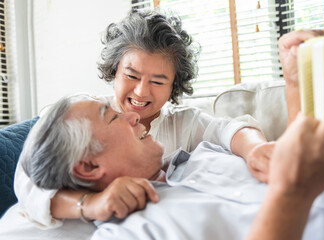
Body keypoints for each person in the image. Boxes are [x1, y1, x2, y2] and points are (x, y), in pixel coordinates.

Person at [14, 8, 273, 227]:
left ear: (174, 86)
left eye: (158, 81)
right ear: (114, 70)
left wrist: (256, 150)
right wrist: (90, 204)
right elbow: (30, 178)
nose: (141, 91)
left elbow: (231, 130)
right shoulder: (79, 113)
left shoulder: (184, 122)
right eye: (132, 75)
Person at [20, 94, 324, 240]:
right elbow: (27, 178)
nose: (133, 113)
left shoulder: (203, 152)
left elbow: (233, 130)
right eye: (112, 117)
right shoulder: (134, 234)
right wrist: (292, 193)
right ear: (90, 165)